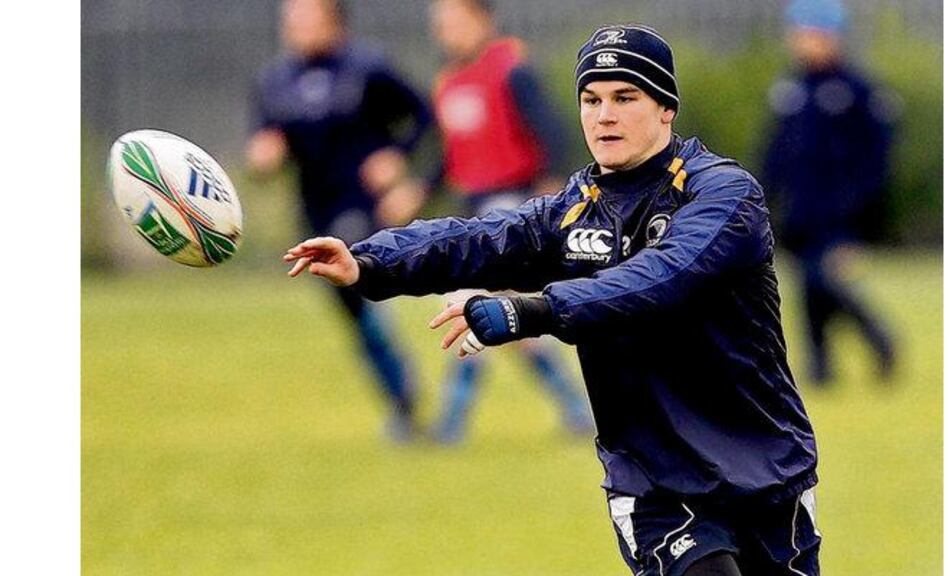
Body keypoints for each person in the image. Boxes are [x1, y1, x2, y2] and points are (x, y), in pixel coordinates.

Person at [285, 24, 821, 576]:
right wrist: (369, 261)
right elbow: (478, 239)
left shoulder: (725, 195)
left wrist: (533, 310)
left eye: (624, 97)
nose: (603, 115)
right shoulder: (574, 206)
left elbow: (659, 278)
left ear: (666, 108)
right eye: (591, 99)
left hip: (764, 465)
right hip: (656, 480)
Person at [248, 0, 433, 440]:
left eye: (308, 18)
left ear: (335, 22)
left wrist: (397, 157)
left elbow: (423, 115)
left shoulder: (367, 69)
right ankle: (401, 395)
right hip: (314, 208)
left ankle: (402, 381)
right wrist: (263, 155)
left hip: (362, 206)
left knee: (355, 277)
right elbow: (264, 142)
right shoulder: (275, 81)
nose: (298, 27)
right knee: (351, 311)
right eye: (292, 20)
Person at [426, 0, 591, 443]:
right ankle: (577, 411)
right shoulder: (449, 82)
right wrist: (417, 192)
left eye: (456, 22)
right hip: (473, 208)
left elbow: (550, 129)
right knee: (509, 318)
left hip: (512, 206)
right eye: (442, 24)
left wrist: (552, 192)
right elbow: (451, 154)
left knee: (469, 306)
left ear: (483, 20)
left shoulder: (511, 69)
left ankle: (451, 423)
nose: (447, 32)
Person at [762, 0, 898, 385]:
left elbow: (877, 158)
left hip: (842, 210)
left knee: (824, 281)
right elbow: (775, 151)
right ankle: (821, 367)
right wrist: (763, 196)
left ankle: (879, 336)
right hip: (800, 210)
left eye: (808, 33)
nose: (800, 42)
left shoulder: (857, 90)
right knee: (807, 289)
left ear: (830, 37)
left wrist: (863, 211)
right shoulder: (790, 89)